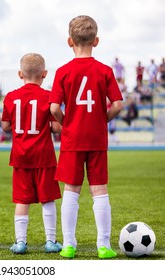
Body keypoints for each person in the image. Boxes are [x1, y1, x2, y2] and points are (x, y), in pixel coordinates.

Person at [49, 15, 123, 259]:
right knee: (99, 190)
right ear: (97, 41)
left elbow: (53, 108)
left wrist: (66, 122)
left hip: (72, 138)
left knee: (71, 190)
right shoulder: (104, 70)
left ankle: (69, 245)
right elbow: (118, 104)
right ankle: (104, 246)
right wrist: (103, 119)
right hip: (97, 138)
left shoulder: (63, 71)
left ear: (70, 42)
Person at [1, 53, 62, 254]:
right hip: (43, 155)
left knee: (22, 200)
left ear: (20, 74)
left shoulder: (10, 97)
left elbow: (5, 125)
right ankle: (51, 241)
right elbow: (55, 128)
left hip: (20, 155)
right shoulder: (49, 96)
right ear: (44, 74)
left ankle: (20, 242)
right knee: (47, 199)